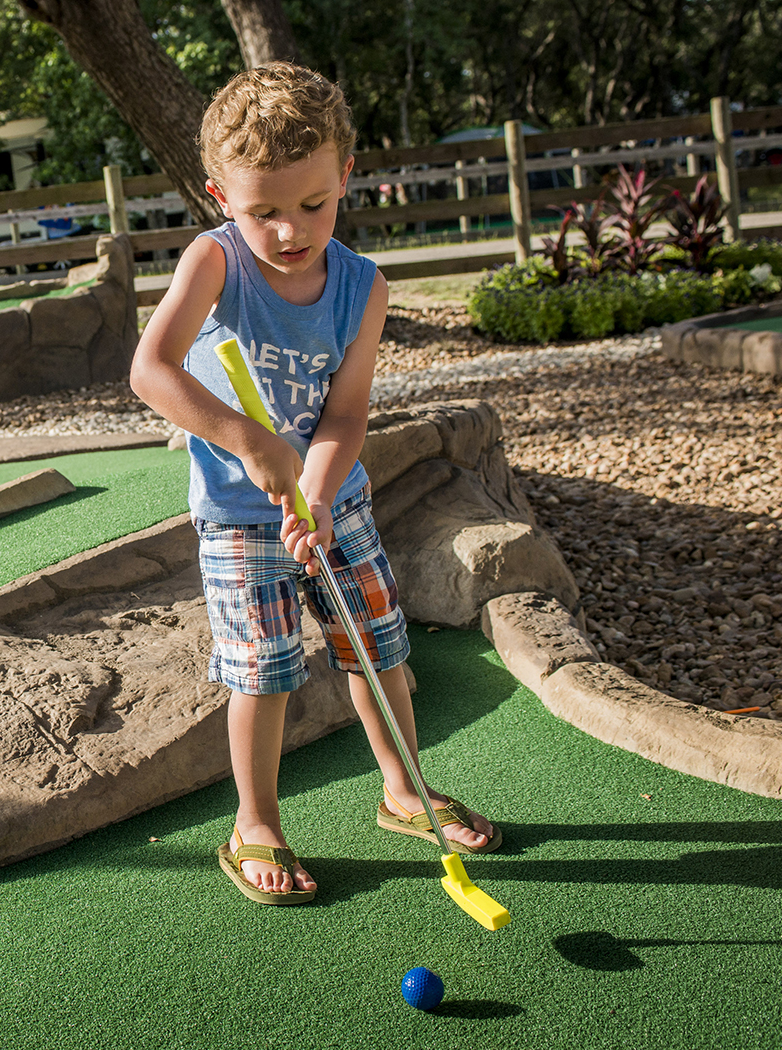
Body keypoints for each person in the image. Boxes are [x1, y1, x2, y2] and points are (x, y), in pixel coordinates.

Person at [128, 63, 498, 906]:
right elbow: (151, 370)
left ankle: (403, 791)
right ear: (221, 195)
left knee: (378, 647)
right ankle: (255, 822)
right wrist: (244, 437)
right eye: (264, 211)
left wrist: (324, 495)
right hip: (237, 513)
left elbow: (346, 414)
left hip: (336, 502)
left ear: (346, 179)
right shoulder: (216, 262)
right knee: (262, 669)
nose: (290, 231)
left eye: (312, 204)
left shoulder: (362, 287)